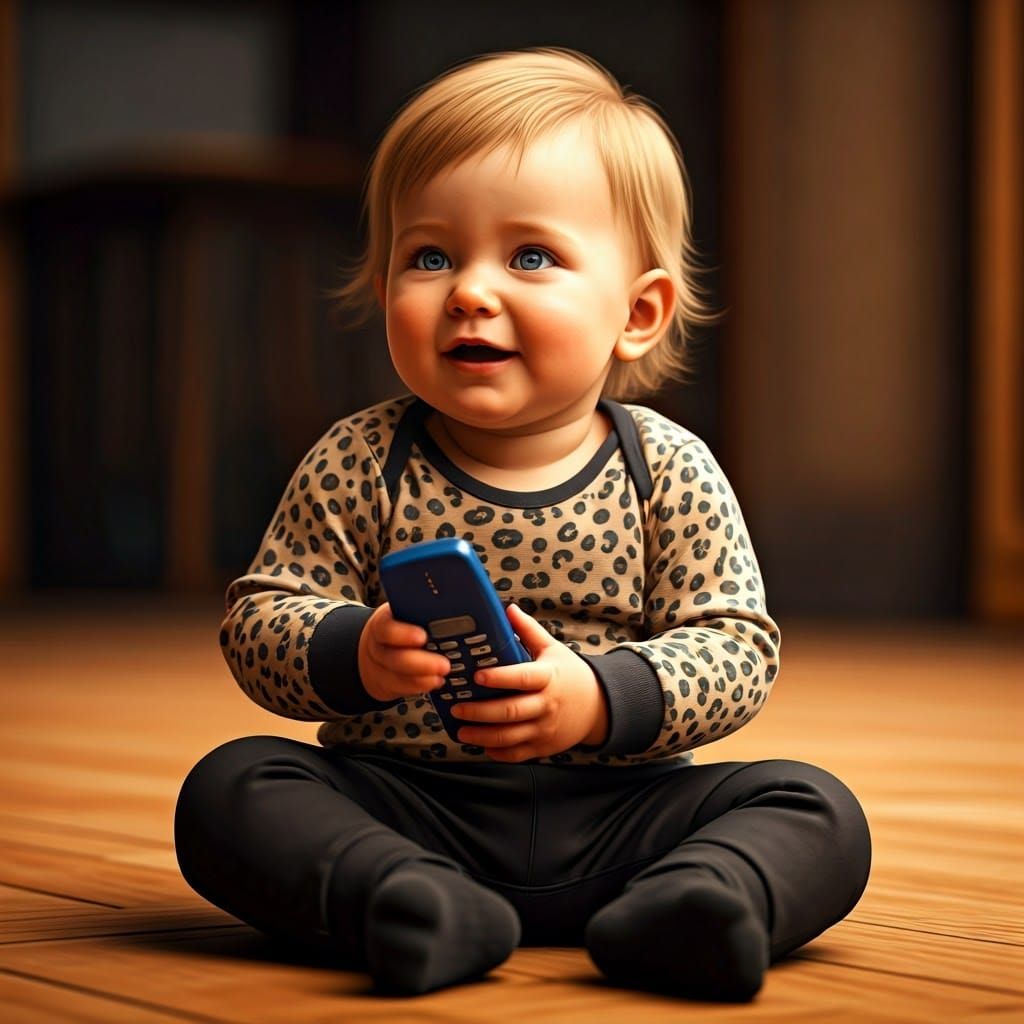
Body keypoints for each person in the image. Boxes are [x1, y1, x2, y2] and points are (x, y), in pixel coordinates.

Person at [174, 48, 871, 1003]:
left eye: (530, 257)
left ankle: (692, 903)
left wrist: (597, 697)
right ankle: (409, 897)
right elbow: (261, 620)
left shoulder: (665, 467)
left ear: (638, 312)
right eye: (429, 257)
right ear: (383, 289)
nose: (468, 290)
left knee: (816, 806)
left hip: (621, 812)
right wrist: (357, 649)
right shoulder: (360, 459)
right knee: (231, 787)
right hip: (409, 806)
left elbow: (737, 648)